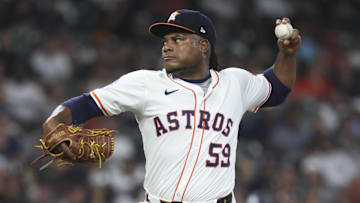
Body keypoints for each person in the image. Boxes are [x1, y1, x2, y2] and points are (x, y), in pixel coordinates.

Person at [41, 9, 301, 203]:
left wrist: (287, 54)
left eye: (177, 39)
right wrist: (53, 121)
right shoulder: (145, 83)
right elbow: (86, 104)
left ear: (203, 45)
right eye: (165, 41)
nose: (166, 46)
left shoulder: (235, 82)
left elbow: (276, 89)